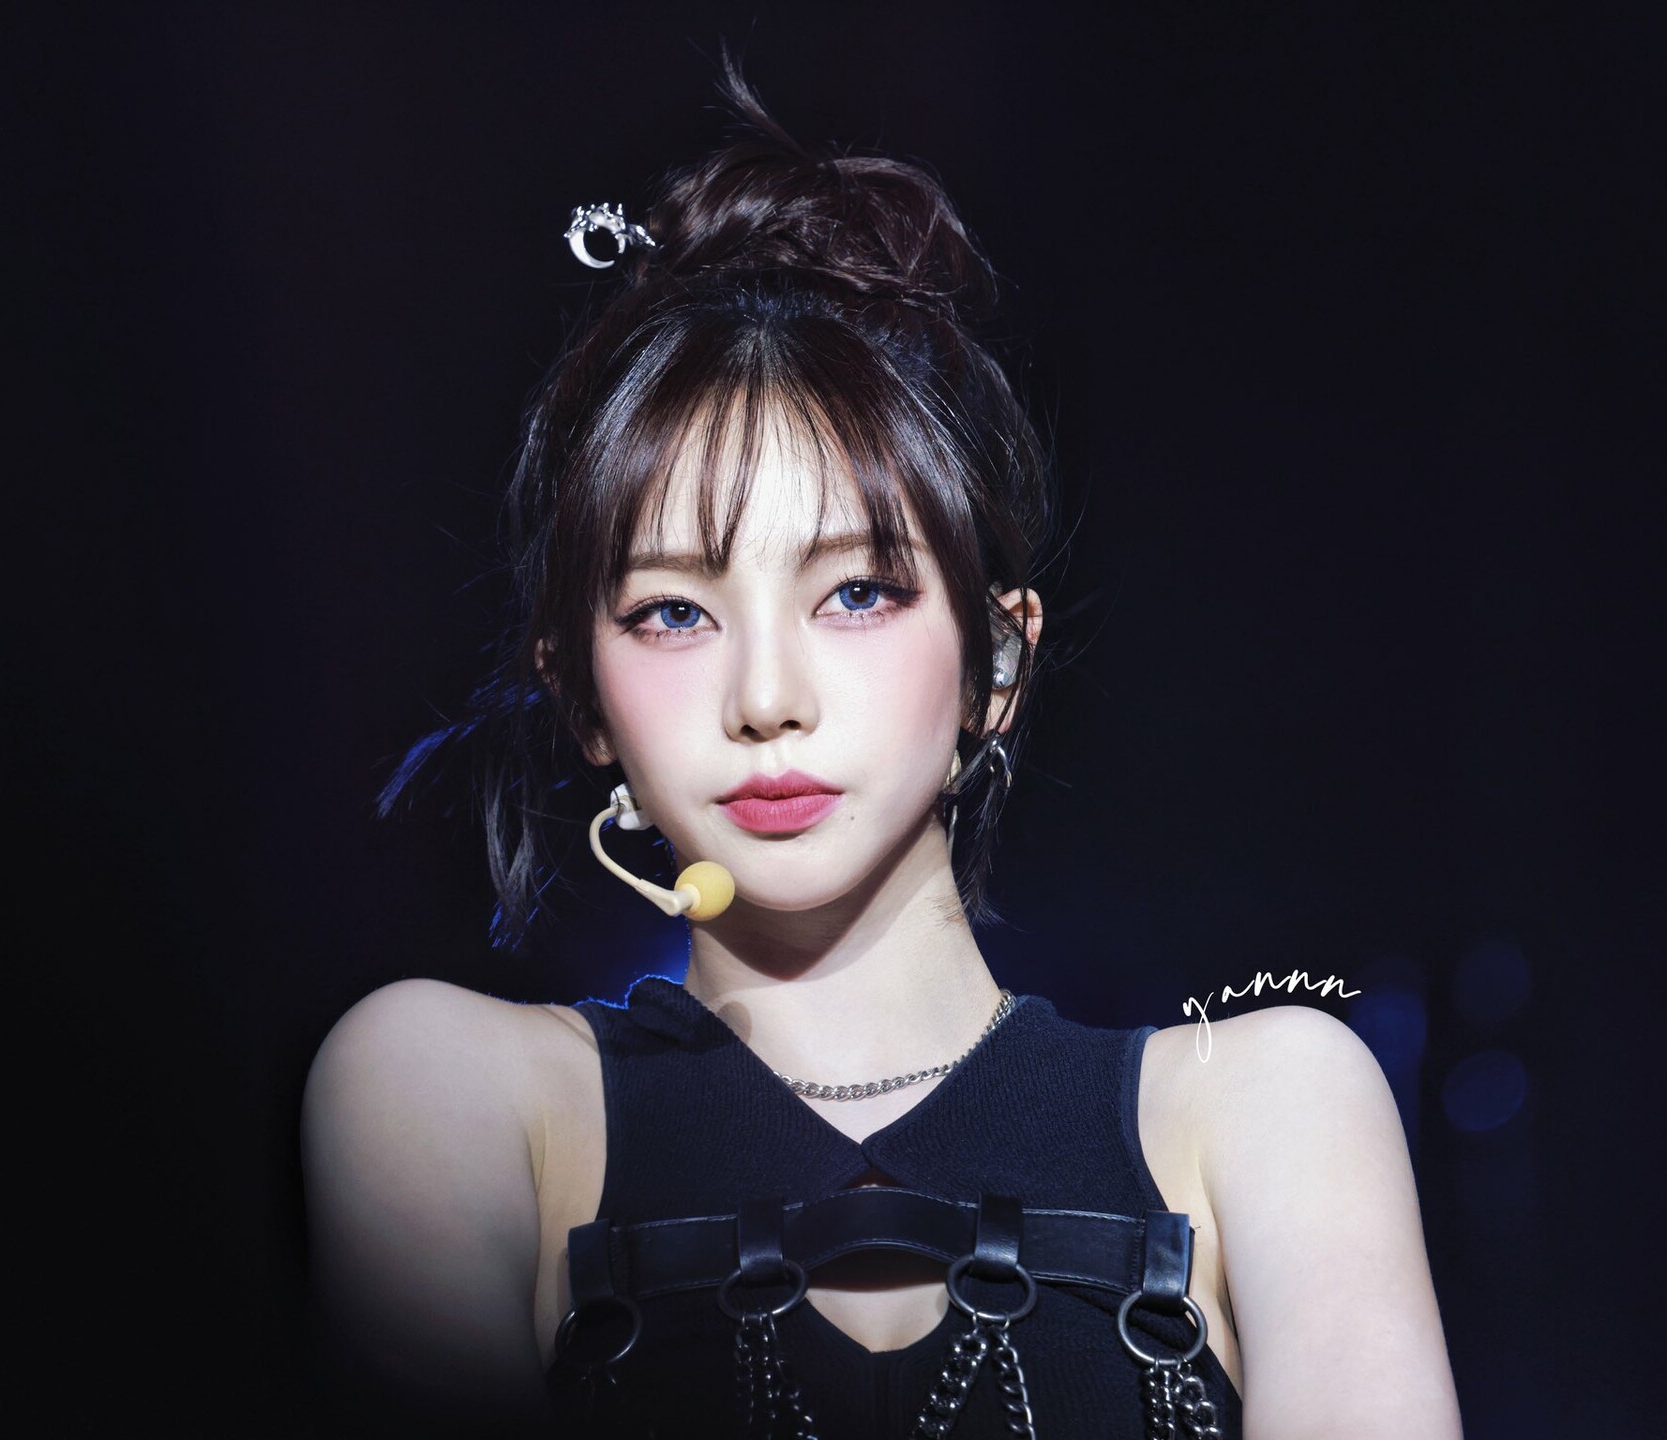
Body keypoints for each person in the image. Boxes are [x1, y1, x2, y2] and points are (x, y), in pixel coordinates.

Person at [301, 58, 1464, 1440]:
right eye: (673, 613)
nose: (766, 697)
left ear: (997, 663)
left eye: (856, 593)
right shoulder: (448, 1091)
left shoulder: (1265, 1108)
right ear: (585, 698)